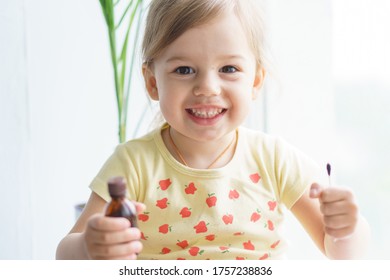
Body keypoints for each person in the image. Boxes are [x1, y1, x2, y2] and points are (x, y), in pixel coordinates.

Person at [56, 0, 370, 260]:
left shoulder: (274, 158)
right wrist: (88, 247)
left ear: (256, 80)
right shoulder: (133, 163)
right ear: (152, 82)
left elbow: (341, 252)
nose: (207, 87)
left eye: (228, 69)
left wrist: (346, 228)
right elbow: (65, 254)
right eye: (184, 69)